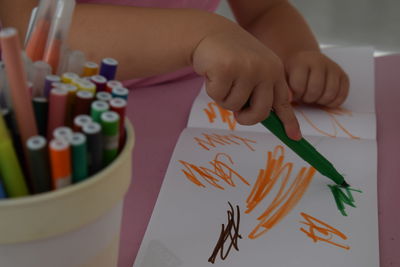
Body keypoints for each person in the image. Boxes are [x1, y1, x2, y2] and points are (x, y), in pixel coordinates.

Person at [0, 0, 349, 140]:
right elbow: (31, 33)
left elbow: (265, 10)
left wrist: (297, 52)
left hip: (194, 120)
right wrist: (199, 34)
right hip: (60, 124)